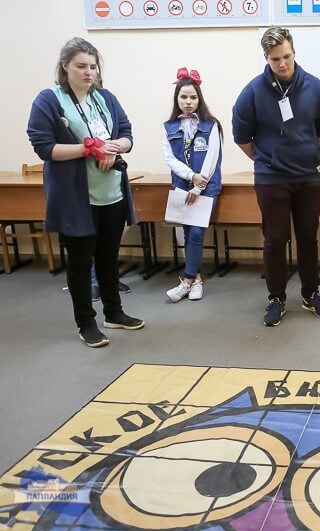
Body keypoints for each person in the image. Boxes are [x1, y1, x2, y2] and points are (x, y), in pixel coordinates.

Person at [27, 37, 144, 348]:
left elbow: (127, 134)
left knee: (108, 258)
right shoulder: (49, 100)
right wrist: (87, 149)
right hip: (78, 198)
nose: (89, 72)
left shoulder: (104, 97)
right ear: (65, 66)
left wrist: (114, 147)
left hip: (112, 194)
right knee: (80, 263)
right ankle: (86, 323)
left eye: (93, 66)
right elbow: (44, 147)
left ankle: (114, 313)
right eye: (81, 66)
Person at [232, 26, 320, 326]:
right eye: (275, 58)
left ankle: (311, 294)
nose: (282, 63)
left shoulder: (314, 87)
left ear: (294, 52)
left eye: (286, 56)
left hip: (307, 176)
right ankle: (276, 297)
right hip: (271, 178)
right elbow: (242, 136)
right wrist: (268, 160)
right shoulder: (253, 91)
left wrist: (304, 153)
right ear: (266, 57)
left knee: (308, 237)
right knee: (275, 240)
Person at [163, 67, 223, 302]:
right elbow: (169, 159)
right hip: (182, 185)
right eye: (183, 97)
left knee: (197, 231)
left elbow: (212, 158)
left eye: (193, 97)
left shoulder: (211, 125)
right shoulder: (168, 127)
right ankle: (196, 279)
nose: (188, 102)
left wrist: (199, 185)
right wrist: (190, 176)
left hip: (206, 187)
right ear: (177, 98)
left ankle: (186, 281)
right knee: (187, 233)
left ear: (200, 99)